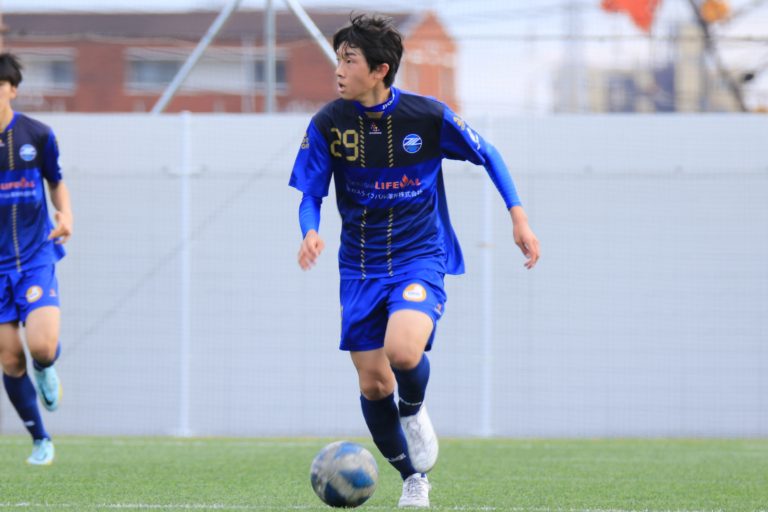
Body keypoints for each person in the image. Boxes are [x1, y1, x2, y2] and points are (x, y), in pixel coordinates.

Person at [289, 14, 539, 508]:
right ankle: (412, 477)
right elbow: (310, 194)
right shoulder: (328, 123)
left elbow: (489, 154)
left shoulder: (426, 116)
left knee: (403, 353)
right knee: (373, 383)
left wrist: (519, 218)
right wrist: (310, 232)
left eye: (349, 60)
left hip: (419, 256)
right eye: (338, 59)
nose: (338, 69)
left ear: (379, 70)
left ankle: (414, 407)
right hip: (359, 267)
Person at [0, 53, 71, 466]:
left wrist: (67, 215)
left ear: (12, 89)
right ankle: (41, 439)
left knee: (41, 347)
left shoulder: (38, 134)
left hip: (35, 256)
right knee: (11, 358)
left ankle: (46, 368)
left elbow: (56, 182)